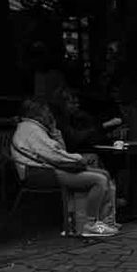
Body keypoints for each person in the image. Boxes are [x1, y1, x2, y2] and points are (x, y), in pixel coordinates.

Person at [11, 99, 120, 238]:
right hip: (40, 173)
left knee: (104, 173)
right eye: (47, 111)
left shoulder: (35, 128)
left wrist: (55, 133)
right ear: (38, 113)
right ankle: (90, 224)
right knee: (99, 180)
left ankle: (105, 222)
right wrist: (78, 159)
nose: (50, 114)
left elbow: (59, 150)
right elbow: (54, 155)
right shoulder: (31, 130)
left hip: (47, 169)